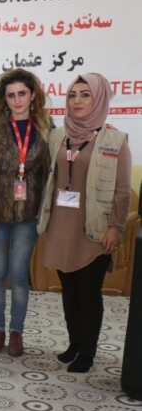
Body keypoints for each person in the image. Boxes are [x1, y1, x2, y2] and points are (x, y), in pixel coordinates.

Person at [37, 73, 132, 373]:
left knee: (88, 292)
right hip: (61, 225)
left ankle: (87, 353)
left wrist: (116, 227)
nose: (77, 101)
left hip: (95, 229)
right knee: (68, 289)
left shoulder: (115, 141)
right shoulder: (57, 136)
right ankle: (74, 344)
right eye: (72, 95)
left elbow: (122, 190)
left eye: (85, 94)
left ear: (99, 99)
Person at [0, 69, 52, 357]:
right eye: (11, 95)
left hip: (29, 216)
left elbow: (54, 170)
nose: (17, 100)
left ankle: (17, 332)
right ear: (4, 99)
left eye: (22, 93)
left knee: (19, 275)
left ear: (33, 95)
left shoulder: (47, 129)